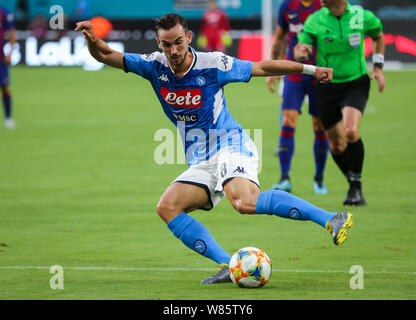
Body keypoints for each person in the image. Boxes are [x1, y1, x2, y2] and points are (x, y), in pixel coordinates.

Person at [76, 13, 353, 285]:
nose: (173, 50)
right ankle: (228, 265)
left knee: (244, 202)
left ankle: (332, 219)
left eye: (178, 42)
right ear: (158, 43)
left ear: (189, 38)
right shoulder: (153, 65)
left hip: (231, 144)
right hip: (202, 158)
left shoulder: (213, 64)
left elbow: (262, 67)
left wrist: (311, 70)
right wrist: (92, 39)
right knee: (168, 207)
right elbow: (104, 55)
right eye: (166, 44)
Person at [295, 0, 385, 206]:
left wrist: (378, 66)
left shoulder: (361, 16)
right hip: (327, 86)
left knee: (351, 131)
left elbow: (379, 36)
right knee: (336, 146)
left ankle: (356, 186)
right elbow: (303, 45)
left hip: (356, 82)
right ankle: (354, 184)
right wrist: (302, 51)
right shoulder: (315, 19)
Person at [266, 0, 329, 194]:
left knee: (319, 124)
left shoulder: (323, 6)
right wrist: (272, 70)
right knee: (288, 120)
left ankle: (319, 178)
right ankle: (284, 178)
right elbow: (279, 39)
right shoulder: (287, 6)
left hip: (318, 74)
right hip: (294, 73)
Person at [0, 7, 16, 129]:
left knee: (5, 88)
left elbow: (12, 33)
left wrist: (10, 53)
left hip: (1, 60)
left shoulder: (4, 13)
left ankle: (8, 118)